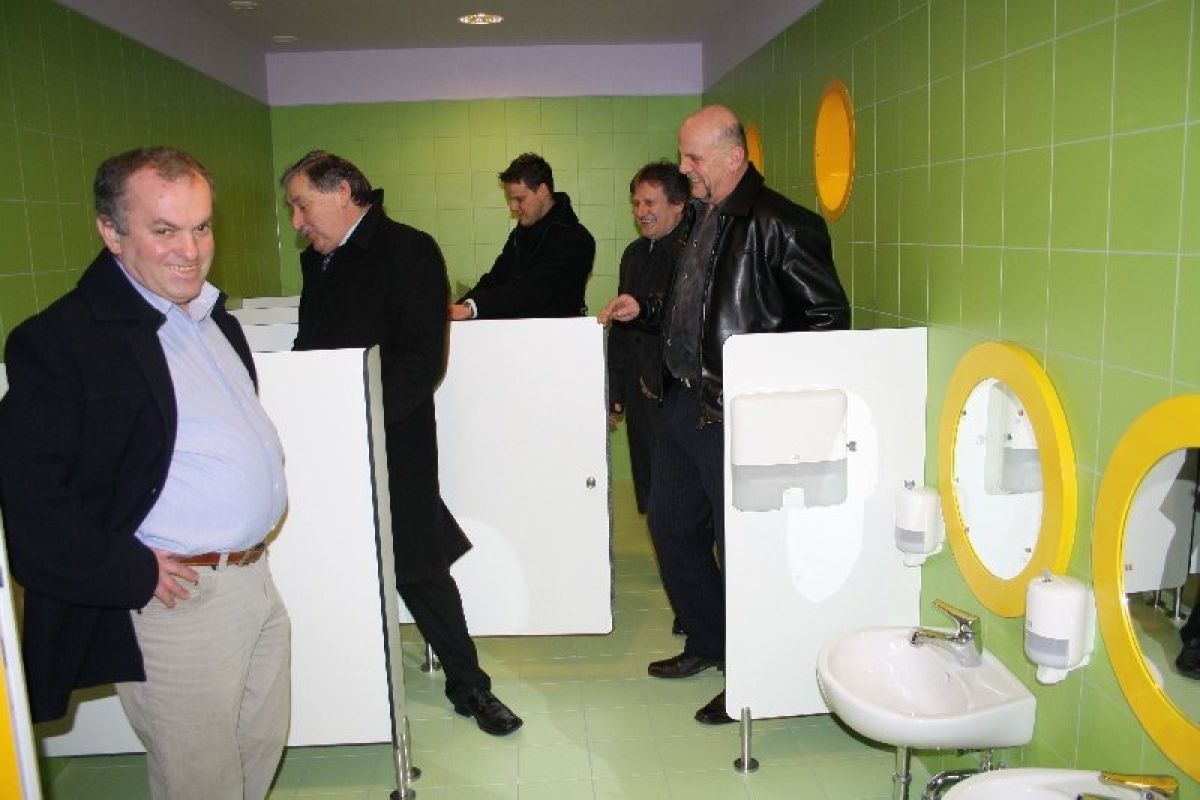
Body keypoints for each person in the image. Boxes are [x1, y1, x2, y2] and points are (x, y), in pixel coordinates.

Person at [0, 147, 291, 799]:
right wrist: (128, 570)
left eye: (202, 227)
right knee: (200, 782)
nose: (191, 250)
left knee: (256, 754)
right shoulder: (63, 341)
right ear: (111, 231)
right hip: (179, 603)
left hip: (252, 581)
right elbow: (31, 505)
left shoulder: (212, 318)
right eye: (164, 230)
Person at [598, 105, 851, 725]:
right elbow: (697, 305)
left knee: (744, 549)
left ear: (734, 156)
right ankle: (710, 641)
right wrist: (647, 311)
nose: (684, 170)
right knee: (670, 527)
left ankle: (750, 672)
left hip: (736, 413)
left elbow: (827, 320)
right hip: (685, 402)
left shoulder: (782, 224)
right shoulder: (703, 218)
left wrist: (771, 396)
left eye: (694, 158)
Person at [282, 150, 522, 736]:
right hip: (330, 440)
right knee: (341, 563)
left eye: (302, 206)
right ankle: (347, 686)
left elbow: (422, 362)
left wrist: (358, 420)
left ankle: (470, 687)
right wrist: (301, 411)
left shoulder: (408, 250)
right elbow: (310, 347)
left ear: (342, 193)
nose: (296, 222)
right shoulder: (322, 261)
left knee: (418, 565)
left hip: (393, 437)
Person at [608, 161, 691, 514]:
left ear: (678, 204)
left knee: (679, 498)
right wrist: (614, 393)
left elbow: (683, 321)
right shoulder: (634, 254)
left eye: (650, 203)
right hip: (639, 394)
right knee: (651, 492)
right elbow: (622, 331)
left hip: (676, 394)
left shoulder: (691, 254)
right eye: (636, 203)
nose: (641, 211)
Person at [449, 152, 594, 320]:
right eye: (510, 200)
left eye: (519, 199)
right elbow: (494, 278)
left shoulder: (577, 240)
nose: (512, 207)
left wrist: (472, 307)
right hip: (519, 333)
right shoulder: (519, 236)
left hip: (559, 335)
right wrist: (460, 306)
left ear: (542, 191)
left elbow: (532, 292)